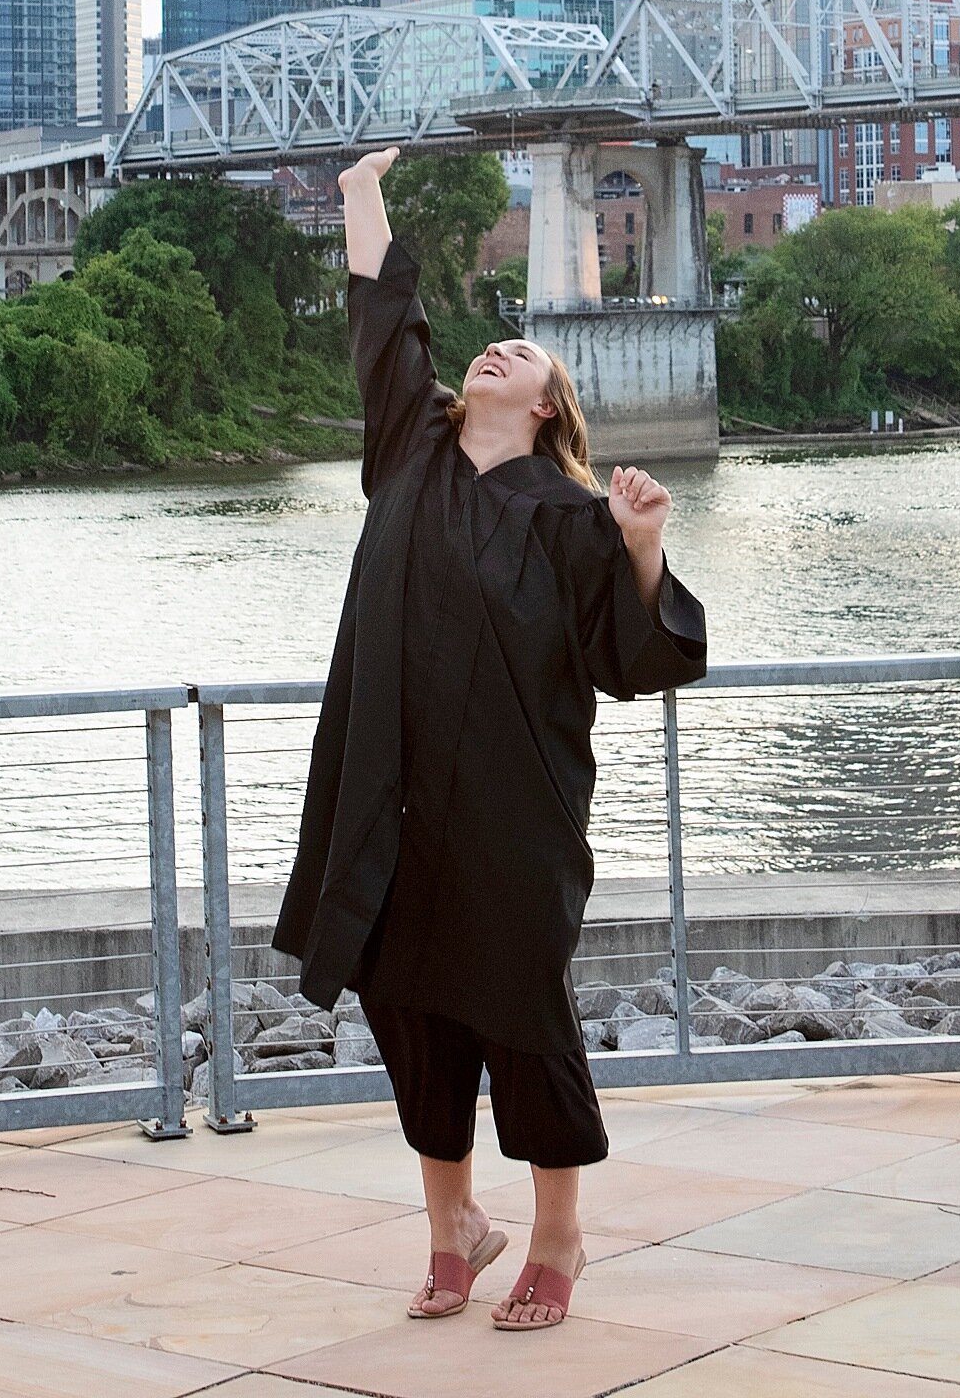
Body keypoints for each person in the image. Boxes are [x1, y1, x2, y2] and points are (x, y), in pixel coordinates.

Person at [274, 146, 707, 1333]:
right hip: (390, 788)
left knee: (518, 1012)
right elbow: (386, 318)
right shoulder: (407, 450)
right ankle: (451, 1229)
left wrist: (642, 546)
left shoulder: (573, 520)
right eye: (489, 349)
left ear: (550, 404)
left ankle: (559, 1235)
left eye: (521, 354)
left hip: (513, 809)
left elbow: (639, 660)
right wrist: (362, 193)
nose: (494, 354)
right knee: (407, 1003)